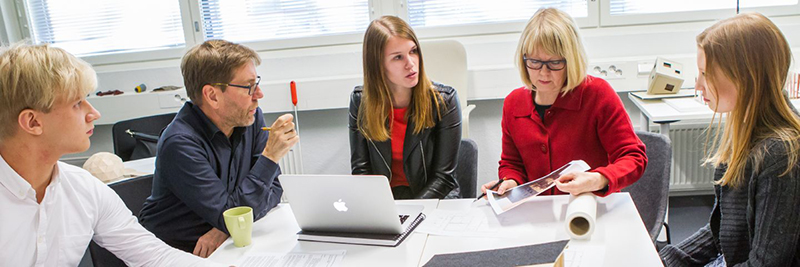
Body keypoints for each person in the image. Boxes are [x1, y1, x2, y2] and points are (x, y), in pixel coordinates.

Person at [0, 43, 217, 266]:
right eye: (77, 104)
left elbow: (154, 256)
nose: (94, 113)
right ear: (33, 122)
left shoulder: (84, 188)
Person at [660, 13, 800, 266]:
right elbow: (723, 230)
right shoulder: (748, 130)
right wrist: (665, 260)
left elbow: (766, 262)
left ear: (745, 77)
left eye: (706, 73)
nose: (698, 85)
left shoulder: (781, 154)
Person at [139, 39, 298, 257]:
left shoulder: (249, 119)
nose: (258, 94)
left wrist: (223, 228)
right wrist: (269, 156)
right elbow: (232, 213)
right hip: (175, 253)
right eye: (248, 86)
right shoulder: (180, 143)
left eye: (257, 83)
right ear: (212, 96)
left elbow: (274, 190)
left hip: (225, 244)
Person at [481, 8, 647, 197]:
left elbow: (634, 157)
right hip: (538, 213)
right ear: (523, 58)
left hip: (589, 208)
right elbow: (512, 164)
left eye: (554, 63)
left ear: (571, 60)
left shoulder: (597, 94)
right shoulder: (514, 103)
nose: (543, 73)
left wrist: (597, 178)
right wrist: (510, 182)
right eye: (534, 62)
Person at [349, 16, 462, 199]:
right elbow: (361, 171)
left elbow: (444, 179)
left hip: (435, 200)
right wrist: (384, 210)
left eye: (413, 51)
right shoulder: (360, 102)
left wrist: (412, 213)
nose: (410, 63)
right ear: (378, 65)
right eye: (398, 57)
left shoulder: (444, 100)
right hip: (387, 202)